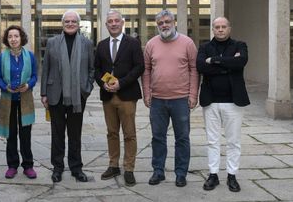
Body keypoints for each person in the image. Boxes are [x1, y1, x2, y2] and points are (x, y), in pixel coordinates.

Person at [141, 10, 199, 187]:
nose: (164, 25)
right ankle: (158, 171)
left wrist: (193, 94)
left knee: (182, 138)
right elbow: (146, 70)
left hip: (180, 99)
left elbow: (194, 69)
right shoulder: (151, 44)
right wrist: (147, 93)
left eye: (167, 22)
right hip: (157, 100)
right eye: (160, 23)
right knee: (158, 137)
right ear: (157, 25)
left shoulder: (187, 43)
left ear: (174, 22)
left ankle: (181, 173)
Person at [196, 17, 250, 192]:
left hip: (233, 101)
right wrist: (228, 64)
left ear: (229, 28)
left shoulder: (240, 45)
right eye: (217, 27)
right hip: (210, 101)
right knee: (213, 141)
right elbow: (201, 67)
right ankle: (213, 175)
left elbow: (241, 62)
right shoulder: (204, 47)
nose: (220, 29)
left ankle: (232, 176)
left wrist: (214, 60)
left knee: (233, 141)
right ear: (213, 29)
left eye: (223, 27)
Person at [41, 10, 94, 183]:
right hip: (56, 95)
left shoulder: (87, 43)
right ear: (62, 24)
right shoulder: (52, 42)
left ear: (79, 24)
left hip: (78, 96)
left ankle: (76, 167)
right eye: (67, 21)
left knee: (75, 134)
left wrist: (87, 87)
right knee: (57, 134)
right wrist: (43, 93)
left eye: (73, 21)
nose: (70, 24)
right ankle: (57, 168)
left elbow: (91, 68)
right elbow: (46, 68)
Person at [94, 10, 144, 186]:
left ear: (122, 23)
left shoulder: (133, 43)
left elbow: (139, 67)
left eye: (116, 21)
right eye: (110, 21)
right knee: (112, 133)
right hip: (108, 96)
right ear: (106, 25)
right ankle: (113, 165)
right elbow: (97, 69)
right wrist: (104, 84)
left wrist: (121, 83)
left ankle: (129, 168)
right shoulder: (101, 45)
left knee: (129, 134)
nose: (113, 24)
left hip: (127, 95)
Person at [0, 25, 38, 180]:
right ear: (7, 39)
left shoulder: (30, 56)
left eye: (16, 36)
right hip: (8, 100)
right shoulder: (2, 57)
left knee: (25, 134)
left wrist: (28, 85)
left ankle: (28, 166)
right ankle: (12, 166)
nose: (13, 39)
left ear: (21, 38)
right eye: (10, 37)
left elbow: (34, 76)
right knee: (11, 134)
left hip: (25, 99)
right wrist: (5, 87)